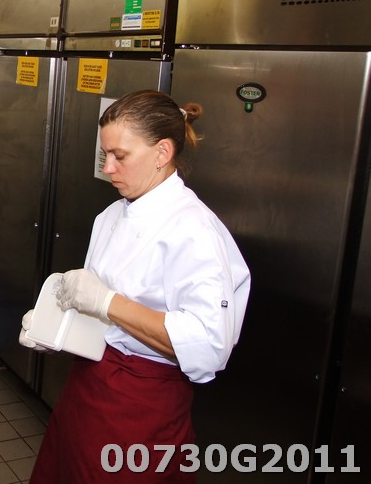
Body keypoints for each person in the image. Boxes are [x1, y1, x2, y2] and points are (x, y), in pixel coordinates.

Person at [21, 89, 250, 483]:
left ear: (162, 153)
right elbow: (98, 311)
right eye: (105, 155)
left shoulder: (194, 230)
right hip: (87, 386)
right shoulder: (112, 215)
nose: (109, 168)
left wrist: (108, 302)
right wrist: (56, 329)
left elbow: (209, 345)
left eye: (120, 156)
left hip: (143, 406)